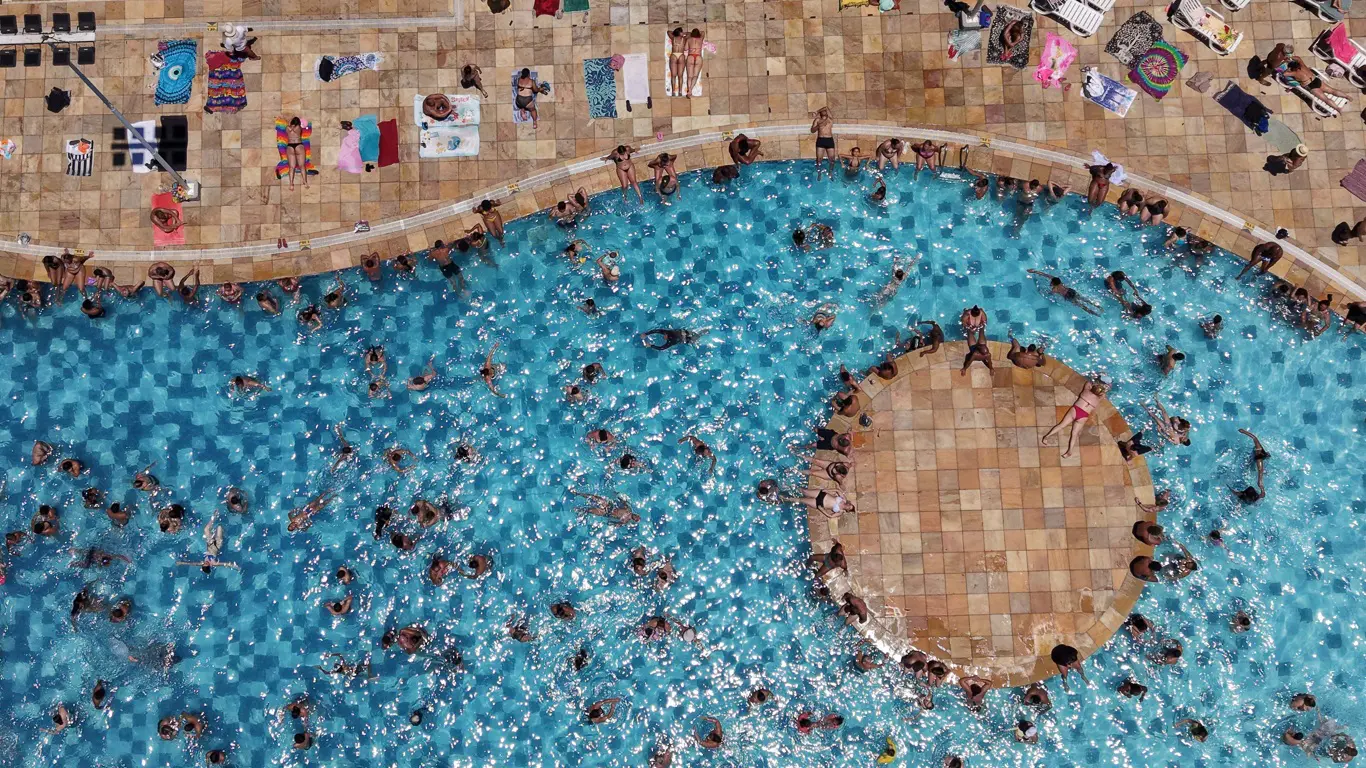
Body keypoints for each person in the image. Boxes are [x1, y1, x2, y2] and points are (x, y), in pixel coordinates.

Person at [1041, 378, 1108, 458]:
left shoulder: (1086, 391)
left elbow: (1088, 382)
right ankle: (1069, 451)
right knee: (1074, 434)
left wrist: (1096, 380)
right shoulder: (1098, 399)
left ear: (1092, 388)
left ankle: (1046, 437)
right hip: (1084, 415)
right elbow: (1104, 395)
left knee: (1061, 425)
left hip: (1076, 410)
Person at [1026, 269, 1102, 315]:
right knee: (1084, 299)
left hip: (1067, 296)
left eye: (1051, 282)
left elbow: (1048, 293)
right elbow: (1045, 275)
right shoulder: (1059, 281)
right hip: (1071, 291)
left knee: (1081, 306)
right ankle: (1098, 307)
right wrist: (1034, 271)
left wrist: (1039, 290)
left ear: (1053, 283)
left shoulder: (1054, 290)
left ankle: (1093, 313)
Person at [810, 107, 836, 178]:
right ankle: (819, 173)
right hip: (820, 140)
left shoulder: (830, 119)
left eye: (825, 111)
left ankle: (830, 172)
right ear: (820, 114)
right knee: (819, 159)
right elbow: (812, 130)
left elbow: (826, 107)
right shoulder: (817, 120)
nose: (824, 112)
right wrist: (818, 126)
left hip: (829, 140)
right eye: (823, 111)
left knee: (832, 159)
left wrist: (817, 111)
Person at [285, 117, 309, 190]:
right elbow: (302, 126)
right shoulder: (298, 127)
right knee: (302, 166)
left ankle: (291, 184)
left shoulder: (287, 128)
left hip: (290, 146)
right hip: (298, 145)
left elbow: (290, 127)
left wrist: (289, 123)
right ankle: (305, 182)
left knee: (291, 167)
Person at [640, 327, 707, 350]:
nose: (664, 335)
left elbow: (661, 348)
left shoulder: (670, 341)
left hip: (687, 338)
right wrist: (646, 334)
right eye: (664, 336)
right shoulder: (667, 333)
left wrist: (651, 345)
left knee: (695, 337)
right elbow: (657, 331)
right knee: (696, 335)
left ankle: (702, 333)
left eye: (664, 336)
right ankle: (703, 332)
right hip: (685, 335)